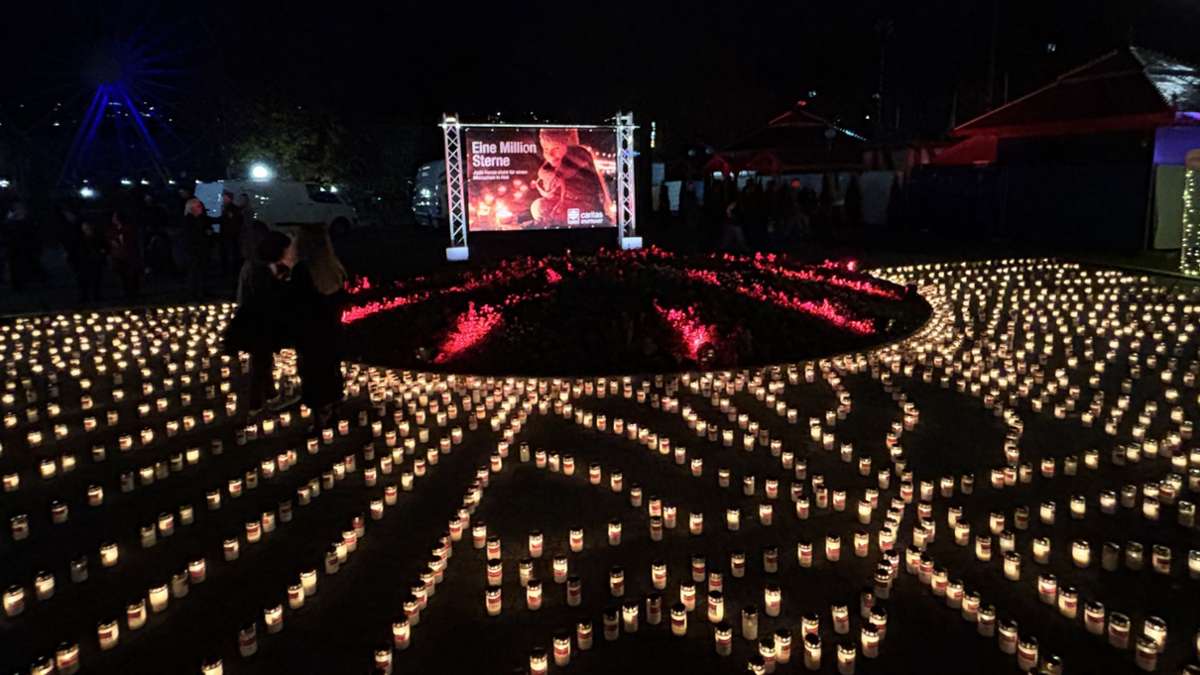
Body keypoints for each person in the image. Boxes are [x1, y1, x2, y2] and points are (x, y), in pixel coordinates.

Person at [231, 231, 296, 416]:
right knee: (260, 362)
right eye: (289, 249)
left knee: (264, 360)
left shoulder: (263, 267)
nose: (292, 252)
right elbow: (264, 298)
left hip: (258, 321)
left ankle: (271, 394)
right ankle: (255, 405)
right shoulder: (258, 270)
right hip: (256, 323)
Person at [290, 223, 348, 426]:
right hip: (332, 331)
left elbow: (297, 304)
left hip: (311, 334)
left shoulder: (302, 271)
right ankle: (333, 409)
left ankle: (320, 417)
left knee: (313, 373)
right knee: (331, 369)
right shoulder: (335, 269)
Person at [182, 198, 214, 298]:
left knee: (202, 271)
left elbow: (208, 229)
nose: (201, 208)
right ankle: (192, 292)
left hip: (202, 249)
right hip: (193, 250)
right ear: (192, 208)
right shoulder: (188, 220)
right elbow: (190, 235)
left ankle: (201, 291)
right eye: (199, 206)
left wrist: (209, 232)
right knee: (193, 271)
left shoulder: (202, 218)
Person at [106, 209, 142, 300]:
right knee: (123, 277)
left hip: (129, 256)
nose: (113, 219)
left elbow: (131, 242)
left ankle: (134, 294)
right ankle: (127, 294)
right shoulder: (112, 230)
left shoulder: (129, 229)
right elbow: (110, 240)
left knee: (132, 276)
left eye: (115, 217)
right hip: (118, 256)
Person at [218, 190, 242, 279]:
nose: (223, 198)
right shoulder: (225, 208)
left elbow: (234, 223)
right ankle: (228, 272)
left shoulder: (232, 209)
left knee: (230, 255)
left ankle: (231, 273)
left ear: (228, 198)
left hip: (230, 236)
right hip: (227, 236)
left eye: (224, 197)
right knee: (226, 254)